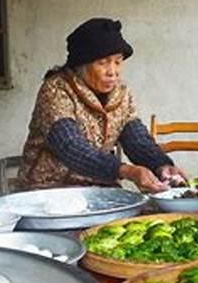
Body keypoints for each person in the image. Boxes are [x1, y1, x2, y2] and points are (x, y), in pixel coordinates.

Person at [17, 17, 185, 192]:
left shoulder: (121, 95)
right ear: (81, 64)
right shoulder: (56, 90)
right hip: (49, 190)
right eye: (102, 63)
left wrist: (161, 165)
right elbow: (70, 146)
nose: (112, 72)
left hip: (97, 188)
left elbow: (137, 140)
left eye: (118, 62)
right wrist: (125, 170)